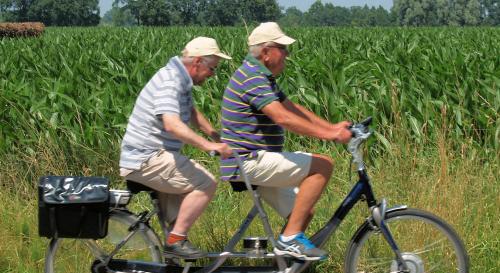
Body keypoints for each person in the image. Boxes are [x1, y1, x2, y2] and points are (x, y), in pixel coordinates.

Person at [220, 22, 352, 260]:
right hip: (248, 161)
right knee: (323, 166)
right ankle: (289, 240)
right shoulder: (252, 77)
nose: (287, 54)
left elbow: (291, 107)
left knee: (303, 212)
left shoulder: (260, 75)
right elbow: (282, 117)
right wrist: (331, 136)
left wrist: (332, 127)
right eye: (282, 48)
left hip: (254, 159)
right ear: (266, 52)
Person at [120, 37, 233, 259]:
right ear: (198, 62)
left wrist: (214, 135)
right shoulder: (171, 81)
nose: (213, 74)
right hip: (147, 158)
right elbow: (172, 124)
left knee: (178, 214)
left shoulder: (181, 79)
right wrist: (207, 146)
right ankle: (176, 241)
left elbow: (191, 112)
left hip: (155, 156)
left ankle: (173, 272)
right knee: (206, 183)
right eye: (212, 68)